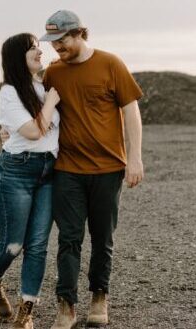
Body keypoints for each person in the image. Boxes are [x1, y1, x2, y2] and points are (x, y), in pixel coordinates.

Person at [39, 10, 144, 328]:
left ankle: (99, 296)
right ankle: (66, 304)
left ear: (80, 33)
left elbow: (131, 111)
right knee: (69, 238)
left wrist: (135, 158)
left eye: (62, 40)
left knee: (102, 237)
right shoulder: (53, 73)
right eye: (52, 42)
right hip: (67, 169)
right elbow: (36, 109)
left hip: (108, 168)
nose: (57, 47)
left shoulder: (111, 63)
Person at [0, 32, 61, 329]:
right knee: (13, 244)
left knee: (38, 245)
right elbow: (32, 132)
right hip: (16, 172)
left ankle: (25, 310)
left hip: (49, 172)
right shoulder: (10, 92)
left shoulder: (45, 87)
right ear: (18, 56)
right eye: (33, 48)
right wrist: (52, 102)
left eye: (39, 47)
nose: (39, 51)